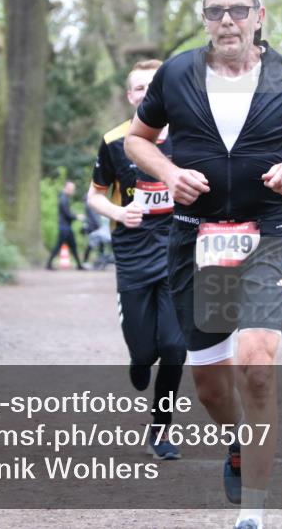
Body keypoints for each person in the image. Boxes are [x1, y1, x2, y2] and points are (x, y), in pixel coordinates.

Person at [124, 0, 282, 529]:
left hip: (265, 231)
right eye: (216, 11)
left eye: (239, 9)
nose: (228, 21)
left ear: (260, 15)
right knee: (211, 383)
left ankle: (253, 513)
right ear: (205, 20)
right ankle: (237, 442)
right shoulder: (177, 73)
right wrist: (169, 172)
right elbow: (136, 140)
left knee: (257, 366)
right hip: (197, 234)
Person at [87, 59, 187, 460]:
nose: (146, 93)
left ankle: (161, 432)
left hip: (178, 251)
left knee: (175, 348)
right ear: (130, 96)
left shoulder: (187, 135)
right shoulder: (114, 140)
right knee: (145, 351)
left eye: (153, 86)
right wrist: (117, 213)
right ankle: (139, 358)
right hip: (132, 253)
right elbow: (94, 195)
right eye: (139, 88)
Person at [46, 180, 85, 270]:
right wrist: (77, 216)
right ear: (67, 188)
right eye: (72, 189)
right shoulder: (63, 199)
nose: (73, 191)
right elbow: (67, 214)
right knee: (58, 246)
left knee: (73, 246)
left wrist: (75, 215)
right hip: (64, 228)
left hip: (67, 227)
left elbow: (68, 213)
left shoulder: (65, 198)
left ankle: (79, 265)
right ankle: (48, 264)